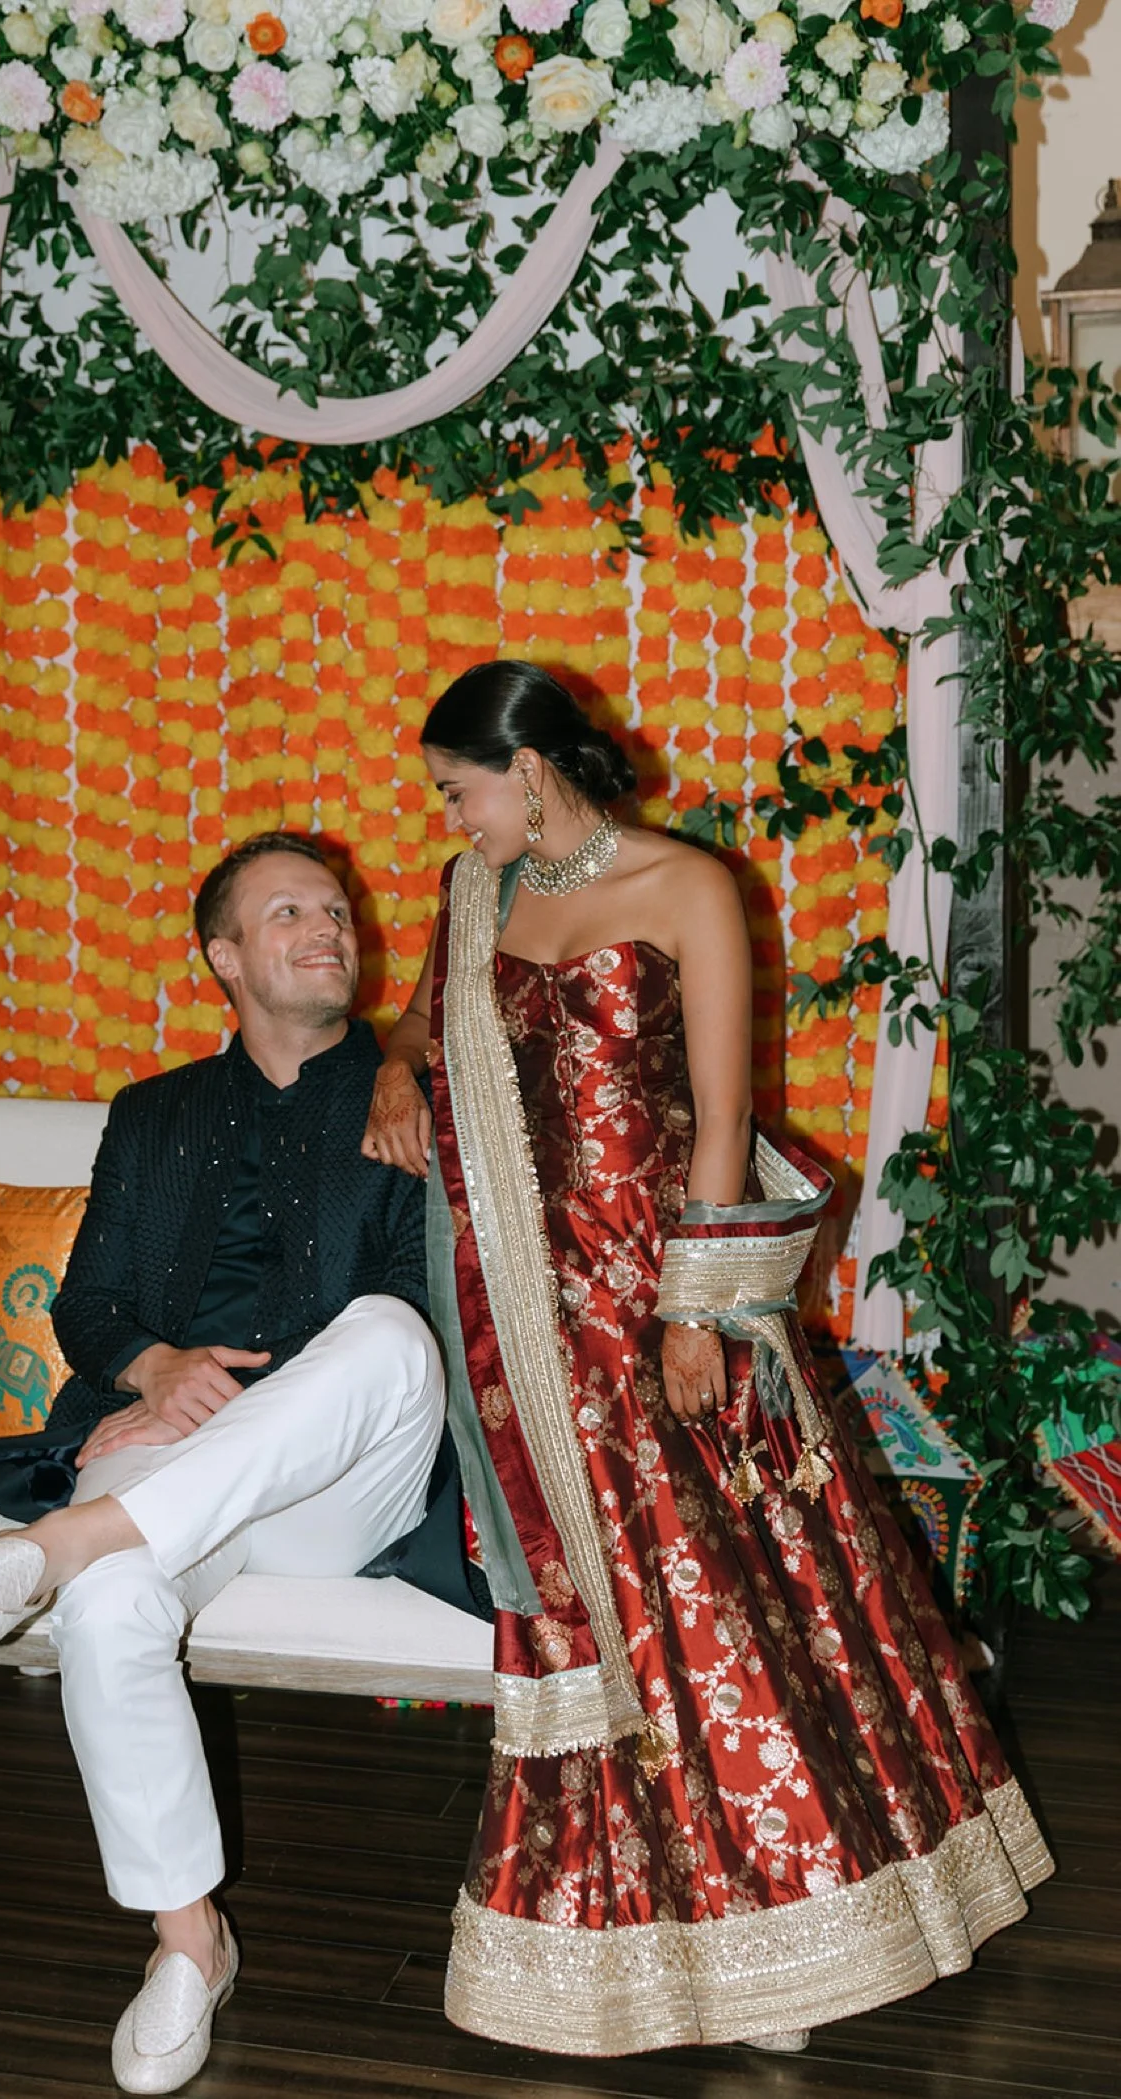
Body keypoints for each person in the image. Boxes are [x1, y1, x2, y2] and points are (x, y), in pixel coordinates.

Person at [361, 660, 1053, 2059]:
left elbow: (725, 1116)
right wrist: (392, 1064)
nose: (450, 816)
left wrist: (694, 1311)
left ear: (530, 768)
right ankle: (645, 1928)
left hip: (664, 1289)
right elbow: (426, 1023)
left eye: (457, 789)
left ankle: (797, 1916)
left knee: (727, 1595)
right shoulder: (473, 894)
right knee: (592, 1605)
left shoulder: (688, 886)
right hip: (527, 1316)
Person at [0, 832, 448, 2096]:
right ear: (222, 956)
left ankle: (64, 1542)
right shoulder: (152, 1111)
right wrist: (155, 1369)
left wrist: (249, 1406)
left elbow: (423, 1297)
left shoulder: (402, 1097)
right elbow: (87, 1305)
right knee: (110, 1605)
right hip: (173, 1448)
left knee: (388, 1332)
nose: (327, 929)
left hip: (342, 1478)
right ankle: (186, 1941)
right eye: (289, 913)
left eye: (335, 910)